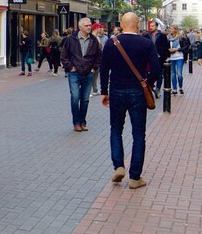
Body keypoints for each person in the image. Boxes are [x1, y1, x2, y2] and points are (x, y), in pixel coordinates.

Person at [99, 12, 160, 190]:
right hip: (137, 92)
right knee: (138, 134)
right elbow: (156, 70)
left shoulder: (112, 43)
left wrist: (104, 91)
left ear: (122, 25)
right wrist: (146, 83)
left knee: (116, 129)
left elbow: (104, 69)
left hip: (116, 90)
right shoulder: (147, 43)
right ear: (137, 24)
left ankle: (118, 166)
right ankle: (135, 178)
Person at [61, 18, 102, 132]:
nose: (89, 27)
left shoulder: (93, 40)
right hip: (74, 73)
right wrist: (70, 67)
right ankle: (76, 122)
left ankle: (83, 122)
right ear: (80, 27)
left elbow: (99, 56)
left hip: (88, 73)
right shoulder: (71, 39)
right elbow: (64, 55)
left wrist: (94, 68)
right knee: (75, 97)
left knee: (85, 99)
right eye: (87, 25)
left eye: (90, 25)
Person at [143, 21, 170, 97]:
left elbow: (166, 47)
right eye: (150, 26)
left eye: (152, 26)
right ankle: (151, 86)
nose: (151, 27)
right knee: (148, 73)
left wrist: (163, 55)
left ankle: (158, 88)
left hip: (159, 57)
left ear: (156, 26)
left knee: (159, 74)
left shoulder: (162, 36)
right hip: (149, 57)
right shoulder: (147, 36)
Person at [166, 24, 188, 95]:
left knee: (179, 74)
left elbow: (186, 47)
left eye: (171, 29)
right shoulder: (168, 38)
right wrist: (168, 50)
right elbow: (165, 47)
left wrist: (177, 49)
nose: (170, 30)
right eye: (169, 28)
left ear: (175, 30)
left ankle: (180, 87)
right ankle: (174, 89)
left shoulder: (181, 38)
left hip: (179, 57)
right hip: (171, 58)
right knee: (173, 74)